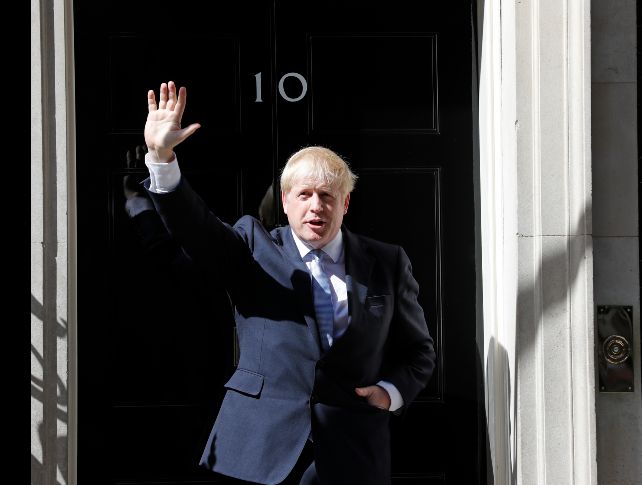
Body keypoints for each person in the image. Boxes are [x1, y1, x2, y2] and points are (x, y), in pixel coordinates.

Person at [139, 80, 436, 485]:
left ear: (345, 203)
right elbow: (197, 231)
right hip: (256, 451)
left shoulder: (386, 262)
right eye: (305, 194)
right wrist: (162, 157)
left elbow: (418, 351)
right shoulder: (252, 246)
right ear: (285, 200)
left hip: (351, 454)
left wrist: (390, 392)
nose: (317, 206)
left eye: (328, 196)